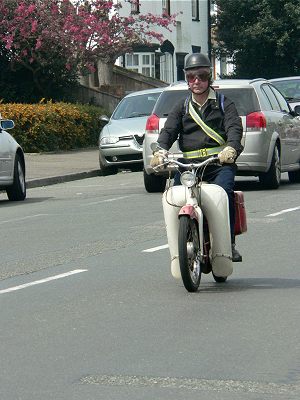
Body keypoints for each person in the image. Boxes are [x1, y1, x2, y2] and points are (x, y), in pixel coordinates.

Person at [151, 52, 243, 262]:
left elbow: (234, 130)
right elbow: (168, 131)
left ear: (209, 77)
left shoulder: (223, 103)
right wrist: (160, 151)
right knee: (173, 196)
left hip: (218, 163)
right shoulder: (181, 106)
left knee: (225, 194)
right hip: (189, 166)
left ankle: (229, 243)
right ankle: (179, 245)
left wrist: (231, 149)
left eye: (201, 76)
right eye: (192, 77)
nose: (197, 81)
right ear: (187, 79)